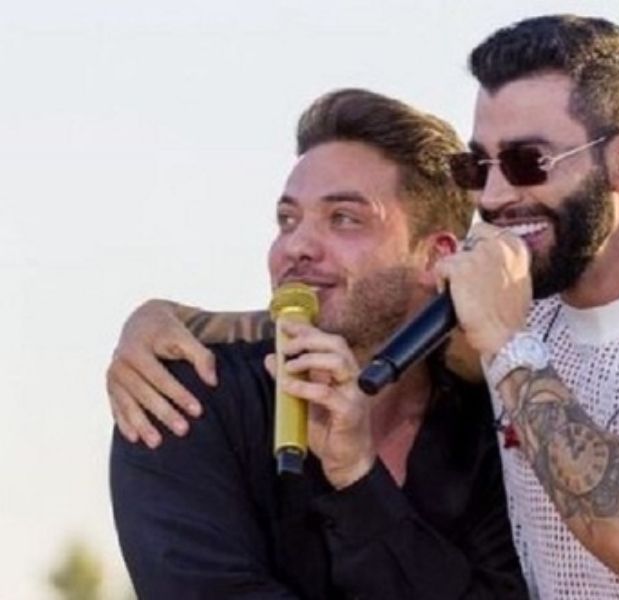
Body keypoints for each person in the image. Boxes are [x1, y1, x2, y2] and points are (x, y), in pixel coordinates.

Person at [108, 15, 619, 600]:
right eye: (479, 166)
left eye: (529, 162)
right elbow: (363, 307)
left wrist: (509, 346)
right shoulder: (502, 314)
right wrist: (167, 321)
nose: (496, 196)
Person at [109, 88, 527, 599]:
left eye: (344, 218)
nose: (296, 247)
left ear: (436, 256)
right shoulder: (184, 400)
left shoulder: (497, 429)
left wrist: (358, 479)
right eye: (287, 220)